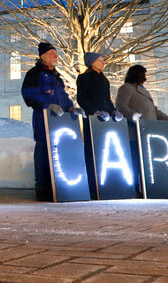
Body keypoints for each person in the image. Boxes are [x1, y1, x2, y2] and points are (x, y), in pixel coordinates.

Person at [21, 42, 75, 202]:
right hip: (43, 119)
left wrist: (71, 107)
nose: (56, 56)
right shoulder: (34, 73)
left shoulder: (56, 76)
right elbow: (28, 94)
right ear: (43, 56)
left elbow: (63, 96)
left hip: (59, 122)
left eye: (56, 53)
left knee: (58, 153)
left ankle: (57, 187)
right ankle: (42, 188)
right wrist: (47, 105)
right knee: (43, 153)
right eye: (53, 53)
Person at [76, 53, 121, 118]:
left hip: (107, 116)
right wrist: (94, 112)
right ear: (92, 63)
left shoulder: (104, 80)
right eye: (100, 61)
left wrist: (113, 111)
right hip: (92, 117)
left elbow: (108, 100)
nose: (103, 63)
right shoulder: (84, 78)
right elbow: (81, 99)